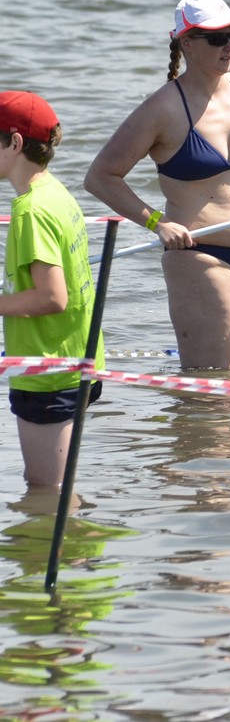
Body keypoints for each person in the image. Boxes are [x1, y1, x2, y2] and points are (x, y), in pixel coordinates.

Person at [85, 0, 230, 370]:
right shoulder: (161, 109)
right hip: (201, 256)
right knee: (209, 393)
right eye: (217, 38)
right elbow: (100, 177)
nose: (229, 46)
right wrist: (157, 222)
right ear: (186, 42)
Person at [0, 92, 105, 490]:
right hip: (80, 357)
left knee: (46, 491)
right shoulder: (55, 192)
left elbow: (51, 297)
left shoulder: (30, 210)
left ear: (14, 143)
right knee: (57, 487)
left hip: (48, 371)